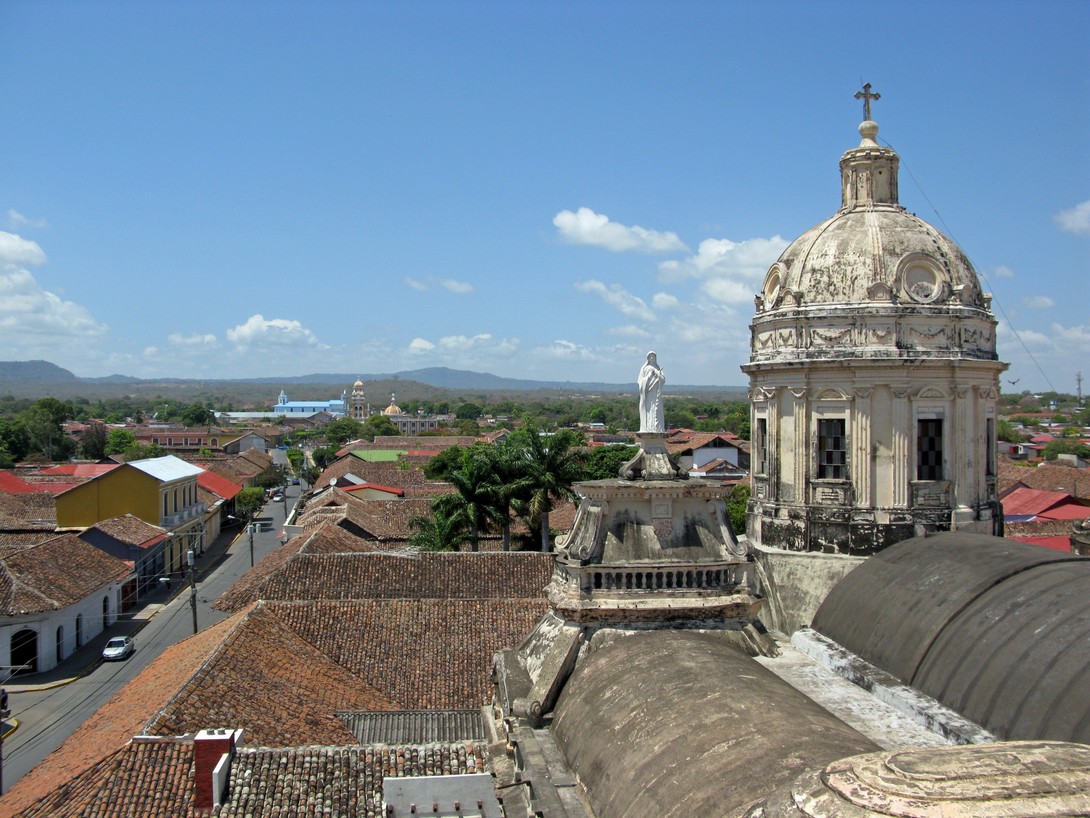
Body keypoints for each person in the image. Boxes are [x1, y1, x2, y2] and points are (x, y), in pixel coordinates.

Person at [638, 351, 665, 433]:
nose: (652, 358)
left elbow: (663, 380)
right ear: (648, 358)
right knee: (649, 409)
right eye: (650, 357)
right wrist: (649, 376)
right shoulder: (645, 368)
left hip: (656, 394)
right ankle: (648, 427)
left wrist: (657, 374)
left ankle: (657, 427)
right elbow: (641, 382)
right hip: (648, 394)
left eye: (653, 356)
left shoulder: (658, 368)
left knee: (656, 410)